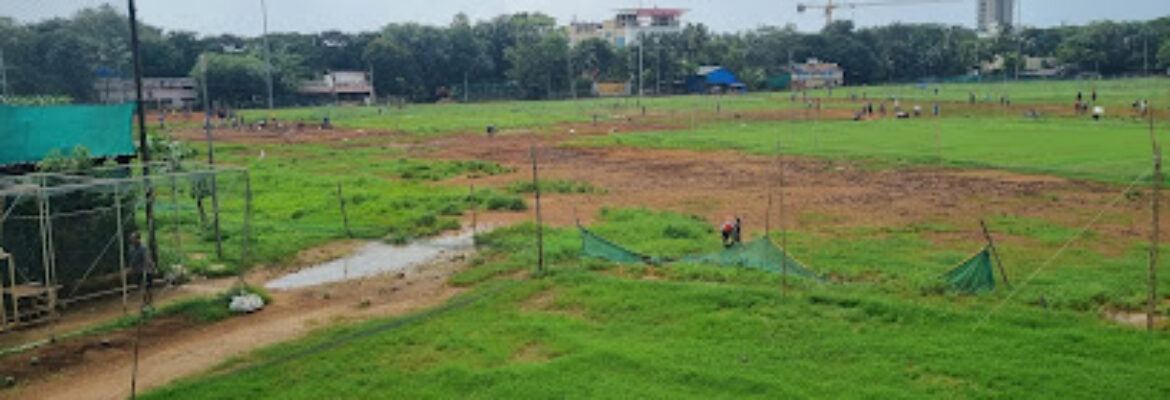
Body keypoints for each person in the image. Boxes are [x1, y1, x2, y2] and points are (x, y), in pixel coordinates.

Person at [127, 232, 157, 308]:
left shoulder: (143, 248)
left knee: (148, 287)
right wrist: (131, 268)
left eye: (133, 238)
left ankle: (150, 303)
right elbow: (132, 259)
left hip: (146, 270)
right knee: (141, 287)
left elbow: (147, 259)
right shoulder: (131, 248)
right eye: (131, 238)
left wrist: (152, 267)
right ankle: (144, 302)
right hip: (137, 271)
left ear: (138, 239)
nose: (132, 240)